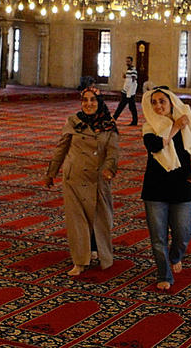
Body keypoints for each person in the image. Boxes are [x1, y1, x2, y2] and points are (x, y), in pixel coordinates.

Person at [45, 85, 119, 276]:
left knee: (100, 219)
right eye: (85, 100)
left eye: (92, 100)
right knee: (77, 222)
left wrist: (110, 169)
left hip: (98, 178)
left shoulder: (109, 125)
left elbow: (112, 151)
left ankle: (99, 252)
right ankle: (80, 261)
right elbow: (61, 148)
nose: (88, 104)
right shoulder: (73, 121)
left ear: (99, 102)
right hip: (74, 178)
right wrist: (51, 173)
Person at [140, 85, 191, 291]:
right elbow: (157, 145)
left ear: (171, 103)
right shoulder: (149, 127)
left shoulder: (184, 125)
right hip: (155, 189)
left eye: (162, 101)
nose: (158, 106)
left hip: (181, 187)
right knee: (158, 237)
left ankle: (176, 256)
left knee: (183, 232)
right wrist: (176, 126)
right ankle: (164, 274)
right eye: (154, 103)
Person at [113, 57, 140, 126]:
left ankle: (114, 119)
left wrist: (129, 93)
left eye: (128, 61)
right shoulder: (129, 70)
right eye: (126, 61)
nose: (127, 63)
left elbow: (133, 81)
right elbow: (129, 79)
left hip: (129, 92)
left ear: (131, 62)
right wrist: (125, 76)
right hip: (126, 91)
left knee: (125, 106)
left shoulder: (133, 70)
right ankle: (114, 118)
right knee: (127, 106)